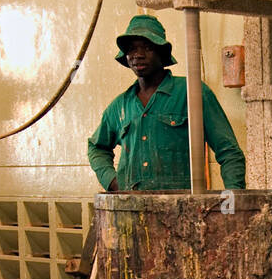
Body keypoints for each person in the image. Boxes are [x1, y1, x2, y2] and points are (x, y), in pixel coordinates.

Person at [87, 14, 246, 192]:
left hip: (182, 211)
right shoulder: (120, 106)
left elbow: (229, 152)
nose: (137, 55)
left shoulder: (192, 92)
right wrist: (114, 183)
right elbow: (96, 147)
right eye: (131, 49)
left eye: (147, 48)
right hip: (130, 212)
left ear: (162, 53)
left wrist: (234, 201)